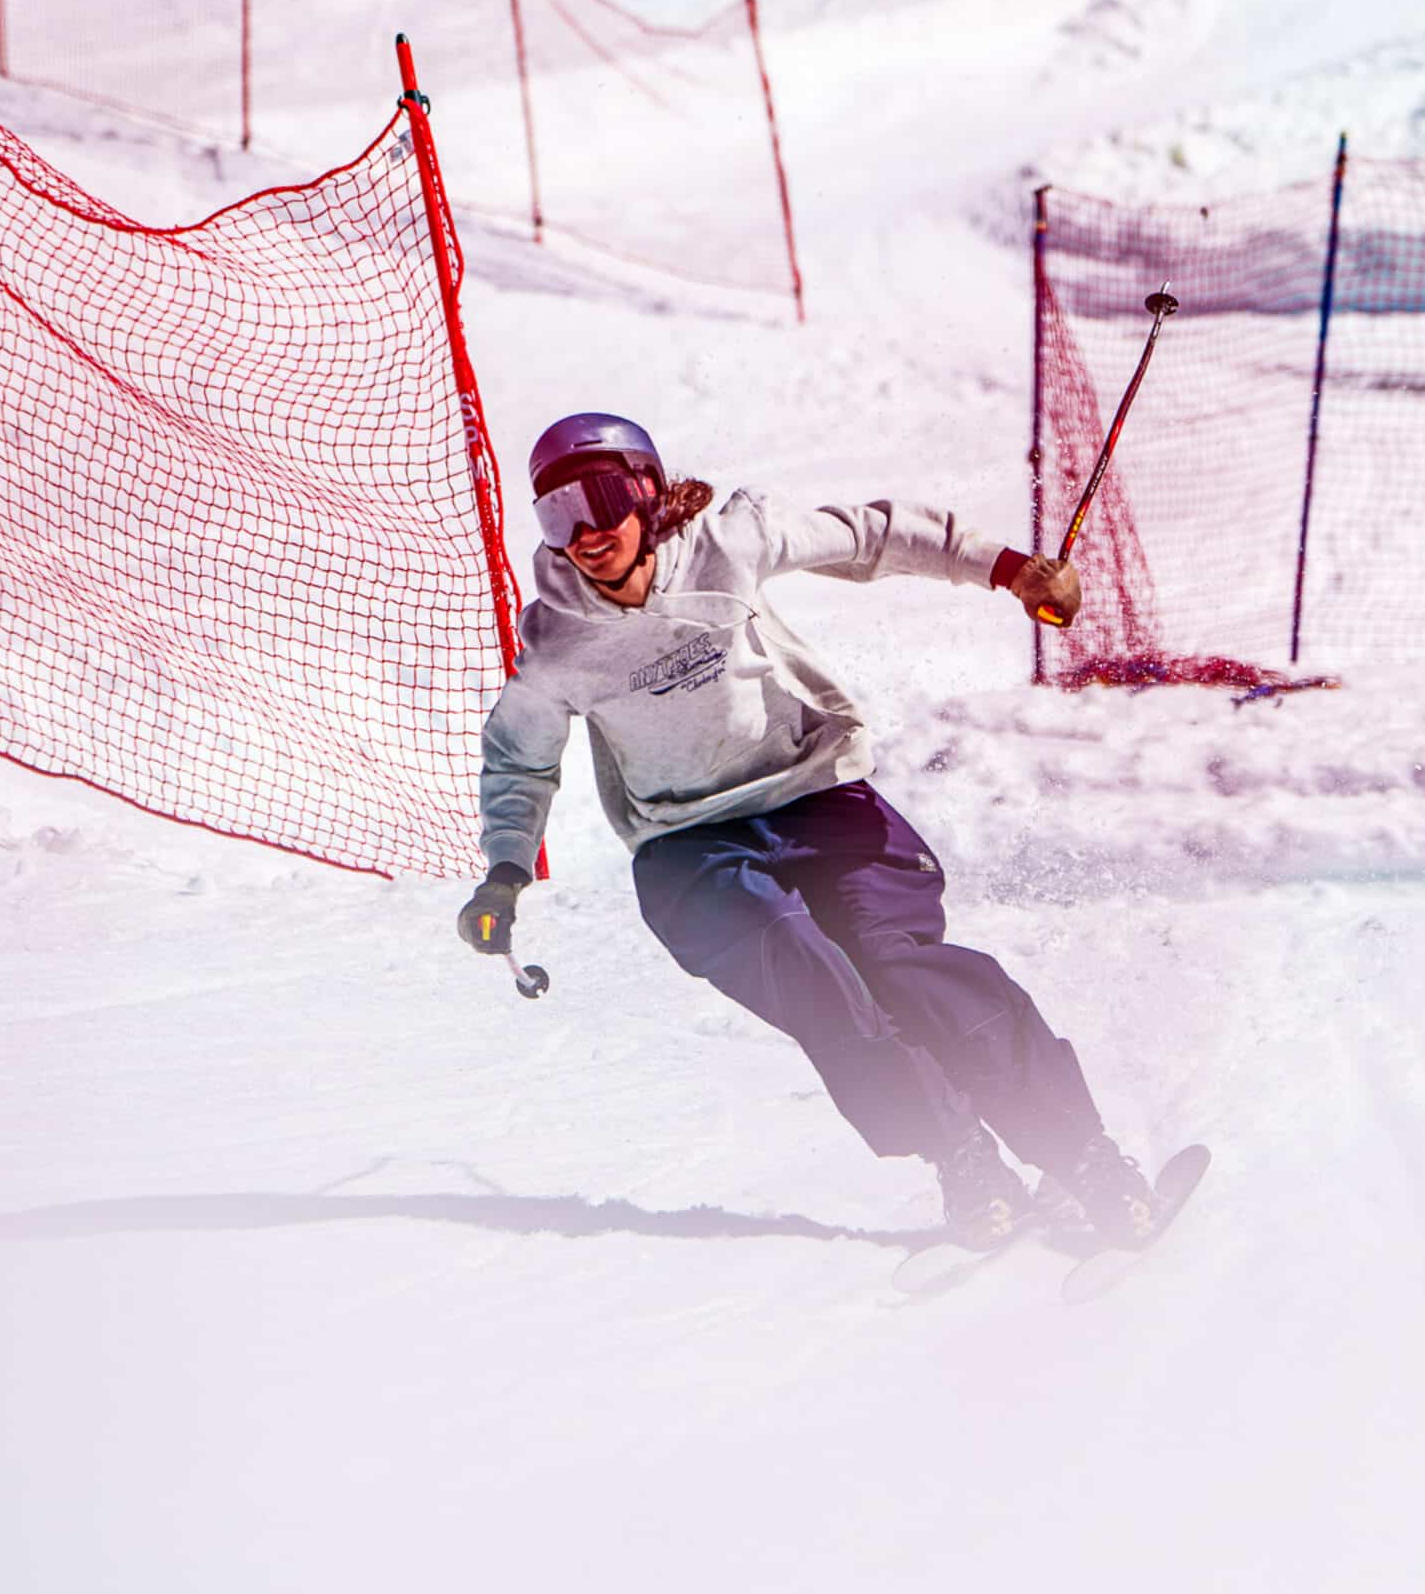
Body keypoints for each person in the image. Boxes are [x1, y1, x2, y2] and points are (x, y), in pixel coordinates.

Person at [457, 413, 1159, 1251]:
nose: (584, 532)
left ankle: (1082, 1156)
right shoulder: (558, 644)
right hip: (690, 843)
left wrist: (1008, 570)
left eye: (601, 499)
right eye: (555, 514)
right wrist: (503, 870)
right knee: (806, 971)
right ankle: (959, 1154)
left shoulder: (730, 542)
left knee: (901, 966)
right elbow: (518, 760)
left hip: (815, 796)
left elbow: (871, 535)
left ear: (646, 493)